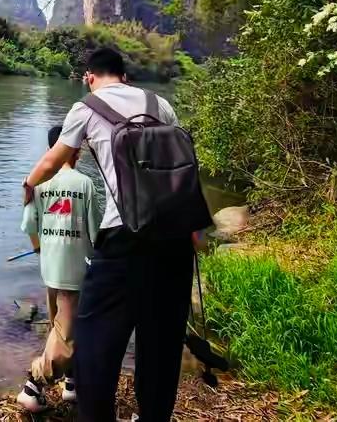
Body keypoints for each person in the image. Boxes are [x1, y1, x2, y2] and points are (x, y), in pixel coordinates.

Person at [22, 47, 212, 422]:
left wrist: (28, 186)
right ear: (124, 76)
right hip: (173, 239)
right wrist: (194, 231)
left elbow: (52, 162)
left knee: (95, 342)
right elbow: (183, 171)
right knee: (161, 343)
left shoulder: (86, 108)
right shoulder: (160, 105)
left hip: (122, 240)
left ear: (89, 77)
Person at [16, 125, 103, 413]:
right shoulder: (85, 184)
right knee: (67, 336)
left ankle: (71, 383)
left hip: (50, 270)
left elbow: (29, 226)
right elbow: (96, 235)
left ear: (50, 151)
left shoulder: (39, 184)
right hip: (75, 273)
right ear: (76, 151)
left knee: (60, 328)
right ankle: (33, 386)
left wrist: (40, 248)